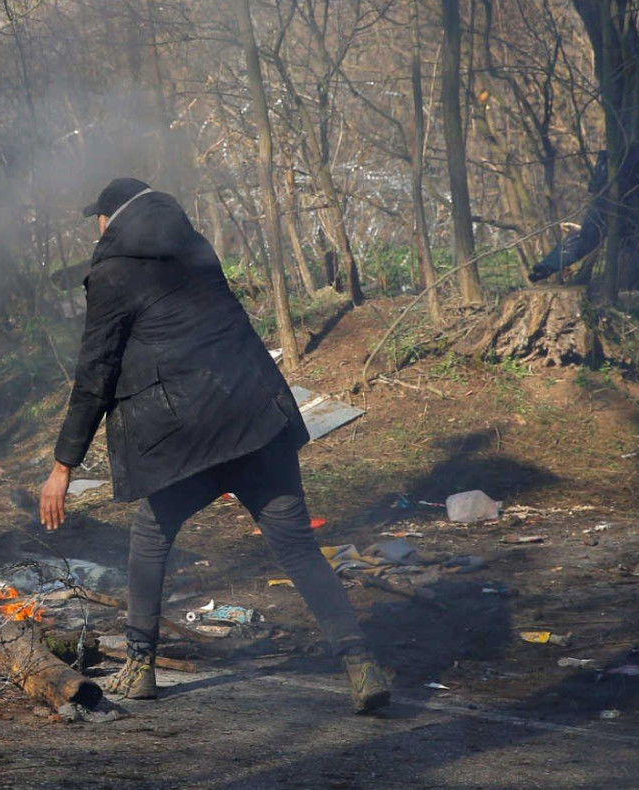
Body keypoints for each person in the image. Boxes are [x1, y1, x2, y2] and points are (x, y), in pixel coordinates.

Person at [39, 177, 391, 713]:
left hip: (188, 437)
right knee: (298, 548)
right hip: (256, 417)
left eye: (99, 219)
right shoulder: (194, 247)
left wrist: (64, 465)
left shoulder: (113, 272)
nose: (98, 229)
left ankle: (139, 666)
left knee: (150, 536)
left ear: (110, 219)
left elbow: (96, 372)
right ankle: (360, 663)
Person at [529, 145, 639, 286]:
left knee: (587, 238)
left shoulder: (620, 152)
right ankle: (548, 266)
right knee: (590, 237)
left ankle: (548, 265)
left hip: (606, 195)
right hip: (617, 199)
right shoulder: (627, 152)